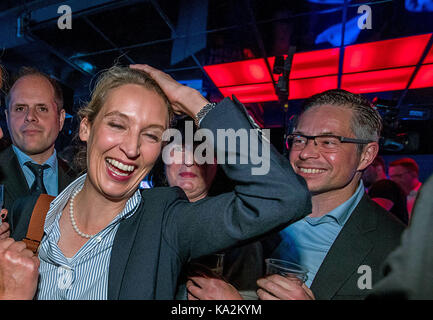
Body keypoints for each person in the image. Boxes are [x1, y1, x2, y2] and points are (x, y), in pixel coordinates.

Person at [0, 64, 311, 300]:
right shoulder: (29, 213)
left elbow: (283, 196)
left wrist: (191, 101)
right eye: (118, 124)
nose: (132, 148)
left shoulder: (167, 222)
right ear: (85, 127)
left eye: (150, 134)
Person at [187, 89, 405, 300]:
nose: (306, 153)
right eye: (300, 139)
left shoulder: (397, 246)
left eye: (328, 142)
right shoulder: (252, 212)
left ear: (366, 155)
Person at [0, 67, 76, 211]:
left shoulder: (81, 184)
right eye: (20, 108)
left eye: (42, 108)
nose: (30, 116)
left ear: (60, 119)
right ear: (7, 117)